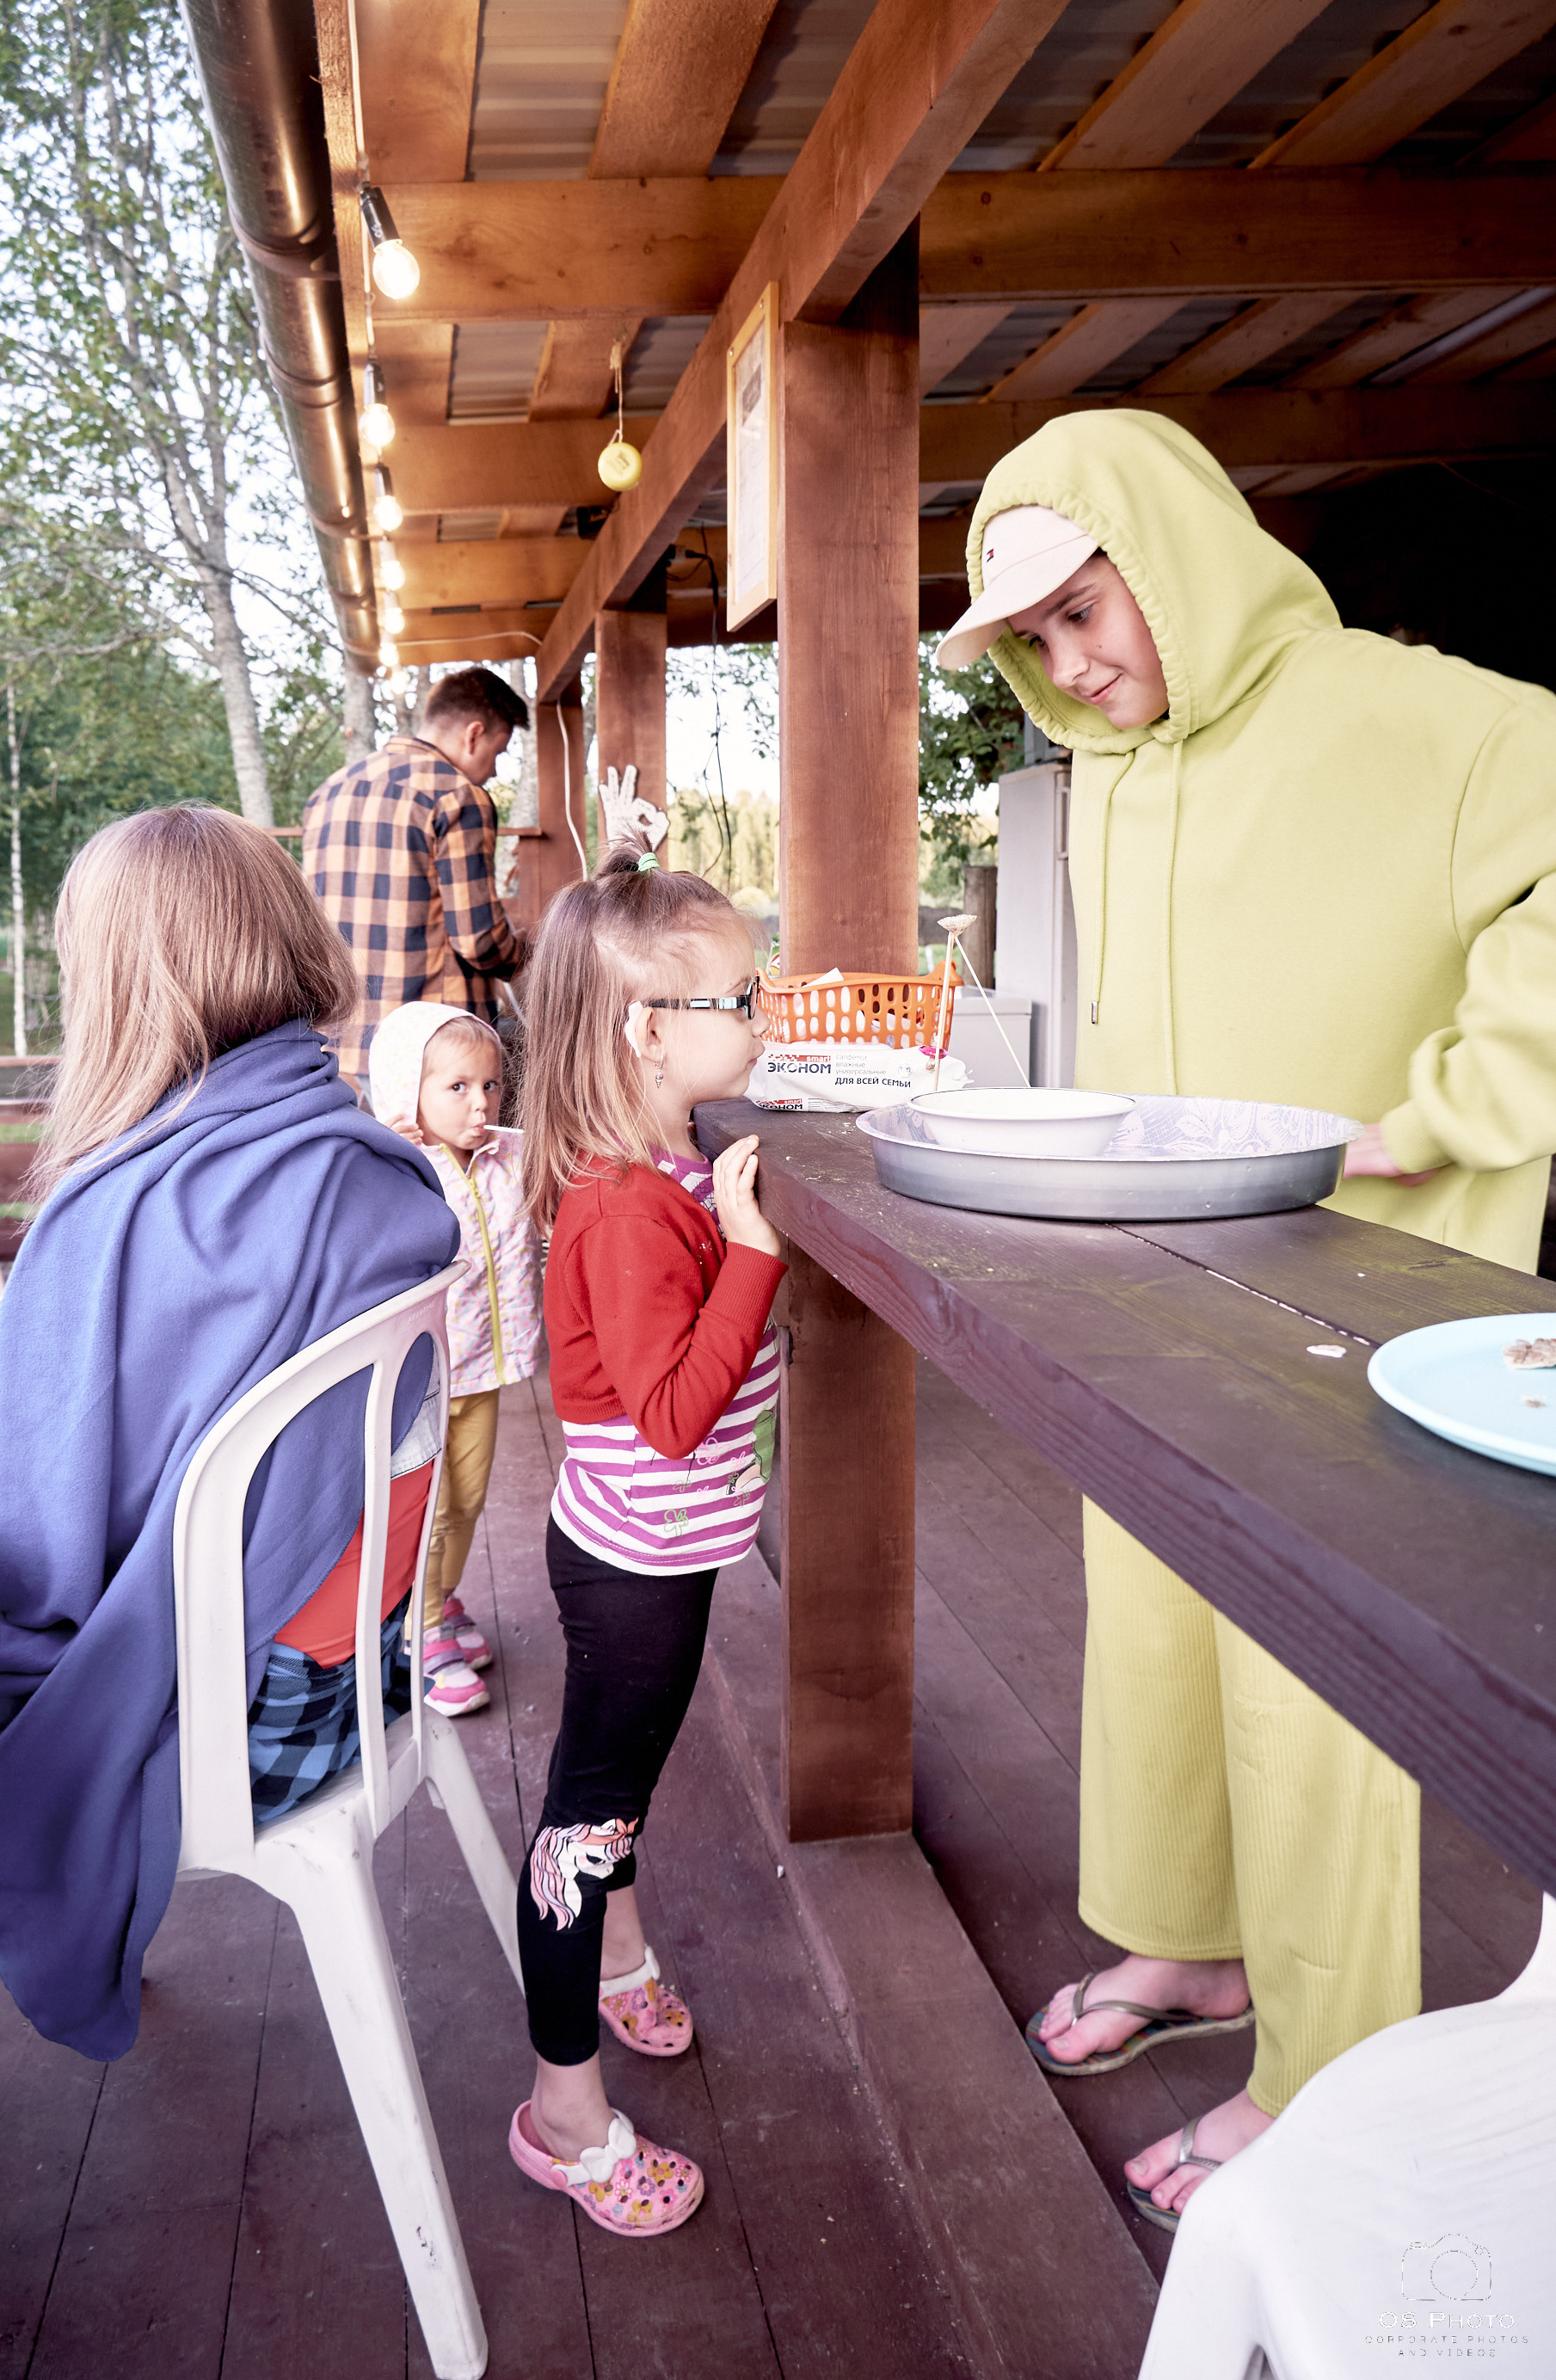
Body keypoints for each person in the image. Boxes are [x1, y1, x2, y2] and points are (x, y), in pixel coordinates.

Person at [935, 408, 1556, 2229]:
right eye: (1033, 639)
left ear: (1180, 548)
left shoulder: (1418, 714)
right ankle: (1189, 1943)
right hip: (1157, 1286)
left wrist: (1448, 1111)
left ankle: (1324, 2072)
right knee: (1146, 1623)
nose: (1070, 663)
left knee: (1310, 1691)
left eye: (1082, 608)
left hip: (1361, 1306)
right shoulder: (1110, 776)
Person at [0, 805, 458, 2060]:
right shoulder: (363, 1161)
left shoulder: (127, 1216)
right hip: (364, 1676)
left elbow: (35, 1578)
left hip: (230, 1728)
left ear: (117, 983)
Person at [505, 846, 782, 2235]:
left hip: (659, 1559)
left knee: (622, 1792)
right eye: (742, 995)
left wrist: (726, 1219)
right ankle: (562, 2116)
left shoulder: (667, 1169)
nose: (764, 1014)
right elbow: (673, 1417)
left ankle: (617, 1957)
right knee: (583, 1823)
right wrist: (754, 1255)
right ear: (649, 1030)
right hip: (631, 1570)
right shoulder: (626, 1207)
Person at [368, 998, 543, 1719]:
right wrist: (384, 1150)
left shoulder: (509, 1154)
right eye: (458, 1087)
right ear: (407, 1093)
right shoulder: (397, 1172)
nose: (481, 1104)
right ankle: (419, 1626)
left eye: (491, 1085)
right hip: (427, 1377)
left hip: (486, 1368)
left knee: (467, 1499)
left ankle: (437, 1597)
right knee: (433, 1506)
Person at [302, 662, 530, 1085]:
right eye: (498, 753)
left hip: (339, 1041)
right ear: (474, 734)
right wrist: (529, 955)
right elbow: (479, 940)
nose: (495, 771)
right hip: (432, 1047)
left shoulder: (328, 793)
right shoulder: (459, 797)